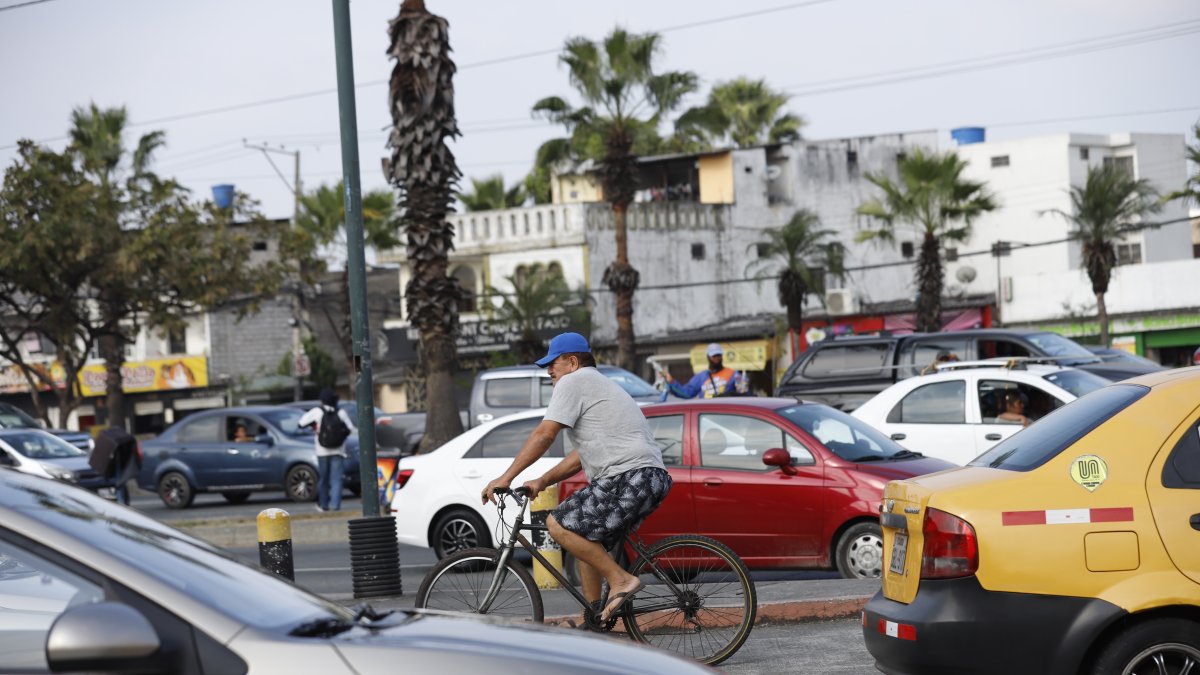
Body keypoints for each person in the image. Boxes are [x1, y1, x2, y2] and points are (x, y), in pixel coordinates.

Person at [481, 332, 672, 624]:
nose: (549, 371)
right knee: (582, 536)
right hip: (649, 477)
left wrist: (505, 477)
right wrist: (542, 480)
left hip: (628, 476)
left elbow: (544, 433)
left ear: (572, 362)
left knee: (557, 524)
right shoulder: (600, 384)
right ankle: (592, 619)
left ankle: (621, 581)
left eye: (552, 363)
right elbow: (577, 459)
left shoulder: (574, 381)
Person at [299, 388, 357, 512]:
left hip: (322, 450)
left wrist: (314, 426)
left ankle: (323, 505)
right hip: (338, 450)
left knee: (323, 479)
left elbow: (301, 423)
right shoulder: (341, 412)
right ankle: (335, 506)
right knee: (336, 480)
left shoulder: (317, 411)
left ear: (322, 400)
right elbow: (350, 429)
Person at [663, 343, 747, 398]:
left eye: (718, 355)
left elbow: (743, 393)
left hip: (727, 415)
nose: (716, 358)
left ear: (722, 356)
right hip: (706, 416)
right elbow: (687, 393)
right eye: (713, 356)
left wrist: (743, 384)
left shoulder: (733, 374)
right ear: (708, 357)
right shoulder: (701, 377)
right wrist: (672, 382)